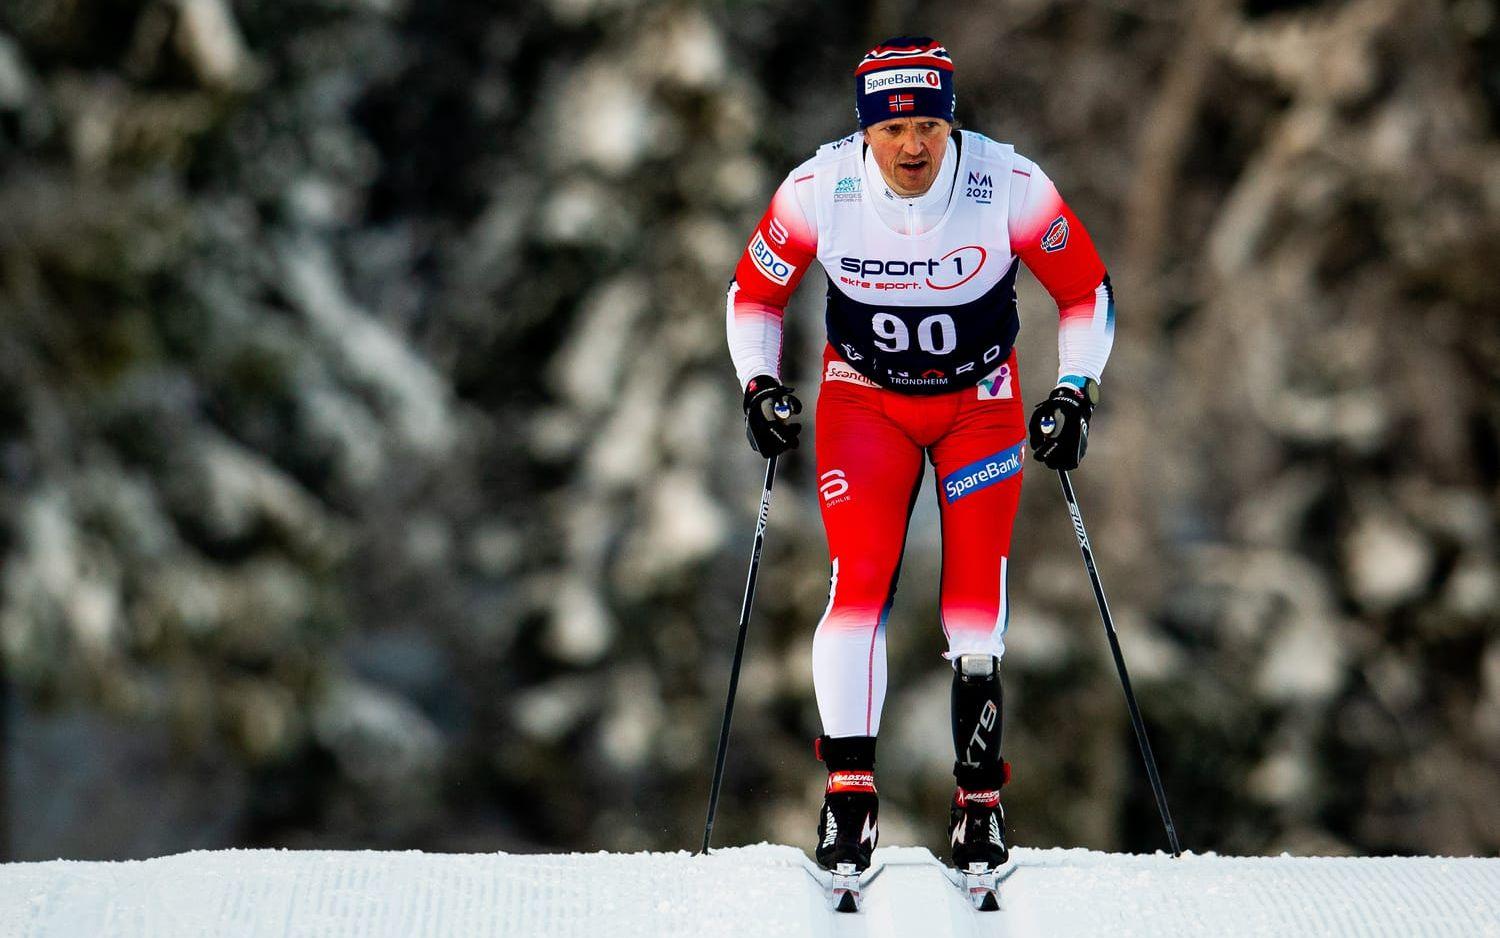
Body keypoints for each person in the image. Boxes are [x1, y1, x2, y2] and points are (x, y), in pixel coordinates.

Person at [725, 36, 1115, 875]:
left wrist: (1075, 390)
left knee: (976, 606)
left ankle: (980, 805)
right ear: (865, 130)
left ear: (951, 121)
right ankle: (849, 801)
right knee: (857, 584)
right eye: (894, 127)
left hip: (980, 406)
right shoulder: (817, 190)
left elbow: (1086, 290)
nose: (913, 147)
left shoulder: (1007, 185)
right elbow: (753, 294)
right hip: (866, 404)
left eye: (930, 125)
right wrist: (758, 386)